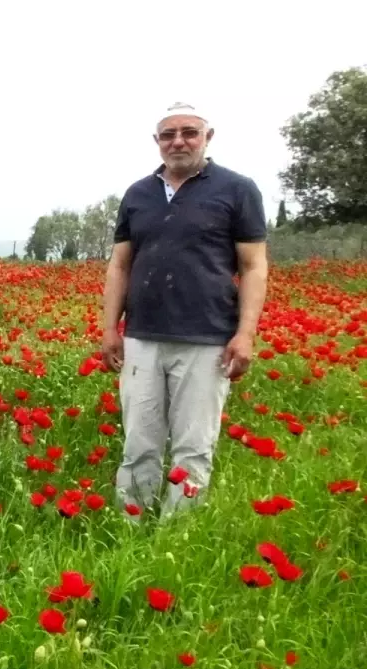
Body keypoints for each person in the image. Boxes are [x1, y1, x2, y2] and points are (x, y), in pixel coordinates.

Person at [101, 103, 269, 519]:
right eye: (168, 134)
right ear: (156, 142)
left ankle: (178, 533)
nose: (178, 141)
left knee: (194, 446)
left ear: (208, 137)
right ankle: (130, 526)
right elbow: (120, 264)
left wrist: (245, 333)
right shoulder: (138, 194)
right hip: (142, 337)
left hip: (207, 338)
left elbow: (253, 266)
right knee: (139, 441)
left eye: (189, 132)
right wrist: (110, 328)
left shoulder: (237, 189)